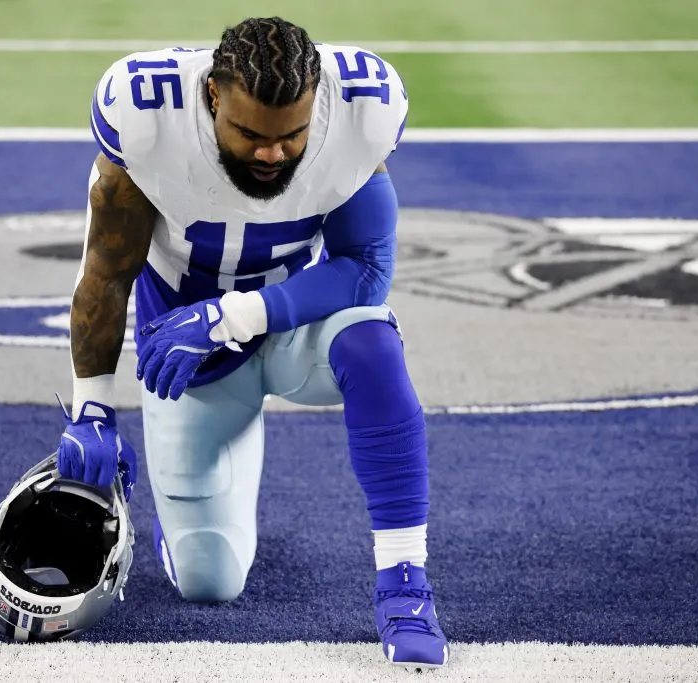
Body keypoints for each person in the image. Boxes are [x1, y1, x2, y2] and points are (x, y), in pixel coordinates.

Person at [57, 16, 448, 669]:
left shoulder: (359, 109)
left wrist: (233, 315)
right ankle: (198, 499)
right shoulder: (146, 114)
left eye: (292, 136)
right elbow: (106, 270)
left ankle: (405, 584)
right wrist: (91, 407)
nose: (272, 153)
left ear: (319, 99)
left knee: (372, 343)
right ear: (213, 95)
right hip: (187, 362)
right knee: (212, 584)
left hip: (292, 327)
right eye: (251, 134)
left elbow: (366, 272)